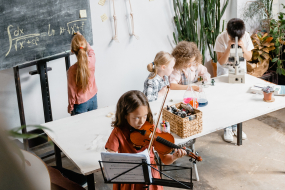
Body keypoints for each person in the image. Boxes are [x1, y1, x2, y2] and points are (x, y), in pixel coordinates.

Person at [105, 90, 187, 190]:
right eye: (136, 117)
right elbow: (110, 156)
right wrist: (112, 157)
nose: (142, 121)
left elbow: (165, 160)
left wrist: (174, 156)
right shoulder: (118, 132)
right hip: (130, 181)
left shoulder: (151, 129)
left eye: (145, 116)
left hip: (150, 177)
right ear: (125, 115)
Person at [214, 18, 254, 142]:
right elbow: (220, 61)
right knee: (226, 100)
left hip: (240, 71)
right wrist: (228, 47)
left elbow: (249, 57)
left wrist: (243, 47)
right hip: (225, 73)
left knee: (239, 100)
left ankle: (237, 127)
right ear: (227, 31)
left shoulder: (245, 36)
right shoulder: (221, 38)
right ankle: (227, 127)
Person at [67, 32, 98, 115]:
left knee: (81, 127)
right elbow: (91, 51)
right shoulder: (92, 61)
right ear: (85, 48)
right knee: (93, 123)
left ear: (72, 51)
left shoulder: (72, 70)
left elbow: (72, 92)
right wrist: (82, 38)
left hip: (80, 104)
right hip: (93, 99)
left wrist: (70, 106)